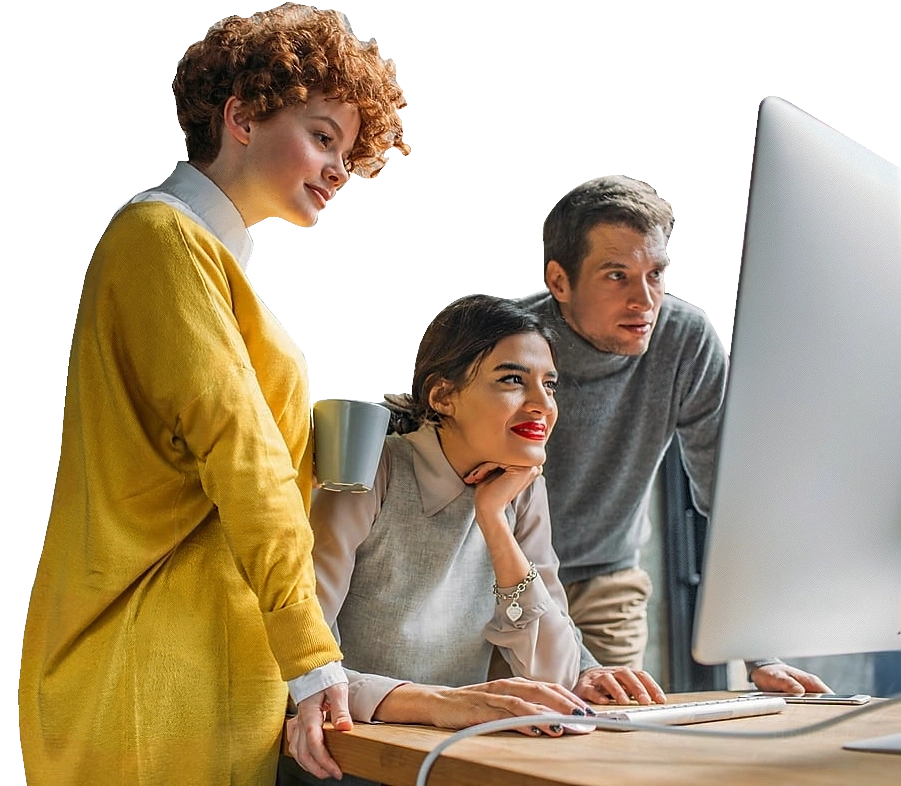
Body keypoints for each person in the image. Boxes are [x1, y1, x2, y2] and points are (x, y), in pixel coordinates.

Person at [20, 3, 410, 784]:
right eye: (322, 136)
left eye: (349, 152)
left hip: (213, 659)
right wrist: (311, 654)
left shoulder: (214, 264)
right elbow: (242, 455)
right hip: (150, 661)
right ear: (241, 116)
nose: (339, 168)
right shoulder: (162, 240)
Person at [280, 294, 664, 785]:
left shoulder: (521, 485)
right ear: (442, 397)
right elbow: (305, 664)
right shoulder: (372, 469)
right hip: (350, 756)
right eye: (511, 380)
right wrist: (441, 703)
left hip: (456, 754)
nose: (542, 405)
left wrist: (494, 521)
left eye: (549, 385)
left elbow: (554, 674)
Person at [516, 175, 831, 698]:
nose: (644, 300)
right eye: (617, 275)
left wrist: (761, 650)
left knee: (610, 739)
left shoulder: (684, 341)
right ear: (559, 281)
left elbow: (727, 500)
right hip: (500, 575)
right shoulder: (512, 344)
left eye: (655, 274)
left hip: (606, 576)